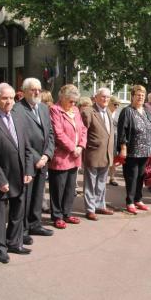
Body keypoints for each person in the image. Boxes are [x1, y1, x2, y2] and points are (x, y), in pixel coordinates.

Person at [0, 83, 34, 264]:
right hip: (0, 177)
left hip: (21, 174)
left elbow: (26, 147)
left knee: (18, 211)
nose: (9, 101)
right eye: (4, 98)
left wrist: (29, 170)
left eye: (11, 98)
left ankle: (14, 242)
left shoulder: (18, 117)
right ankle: (0, 248)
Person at [14, 78, 55, 244]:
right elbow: (20, 138)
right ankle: (22, 230)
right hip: (27, 161)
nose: (36, 92)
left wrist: (46, 155)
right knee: (26, 196)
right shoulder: (18, 109)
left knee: (38, 194)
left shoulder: (44, 108)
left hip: (43, 160)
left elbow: (50, 134)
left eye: (38, 89)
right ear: (24, 91)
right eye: (32, 89)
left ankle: (35, 224)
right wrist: (37, 158)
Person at [48, 84, 87, 229]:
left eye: (75, 101)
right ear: (62, 98)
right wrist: (72, 148)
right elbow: (58, 133)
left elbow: (83, 129)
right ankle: (57, 215)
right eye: (70, 101)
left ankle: (67, 212)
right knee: (58, 188)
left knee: (70, 187)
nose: (73, 104)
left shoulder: (75, 110)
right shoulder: (55, 110)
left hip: (75, 155)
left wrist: (81, 146)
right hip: (61, 156)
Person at [117, 85, 151, 214]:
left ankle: (138, 199)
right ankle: (130, 201)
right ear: (132, 96)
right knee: (131, 177)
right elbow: (122, 131)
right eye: (138, 95)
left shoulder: (147, 111)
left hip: (145, 151)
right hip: (132, 151)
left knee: (140, 176)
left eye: (143, 95)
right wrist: (123, 147)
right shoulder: (127, 111)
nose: (140, 97)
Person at [81, 88, 115, 221]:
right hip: (93, 152)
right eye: (103, 97)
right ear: (96, 97)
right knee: (90, 182)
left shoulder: (108, 110)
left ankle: (100, 205)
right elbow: (83, 132)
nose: (105, 99)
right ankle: (90, 209)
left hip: (106, 153)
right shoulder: (88, 111)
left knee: (101, 182)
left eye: (107, 97)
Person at [107, 96, 121, 186]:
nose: (116, 106)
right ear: (110, 103)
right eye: (115, 104)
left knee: (114, 158)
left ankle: (112, 178)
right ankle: (103, 177)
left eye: (118, 105)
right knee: (105, 158)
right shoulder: (105, 111)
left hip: (115, 138)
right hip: (106, 137)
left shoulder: (119, 113)